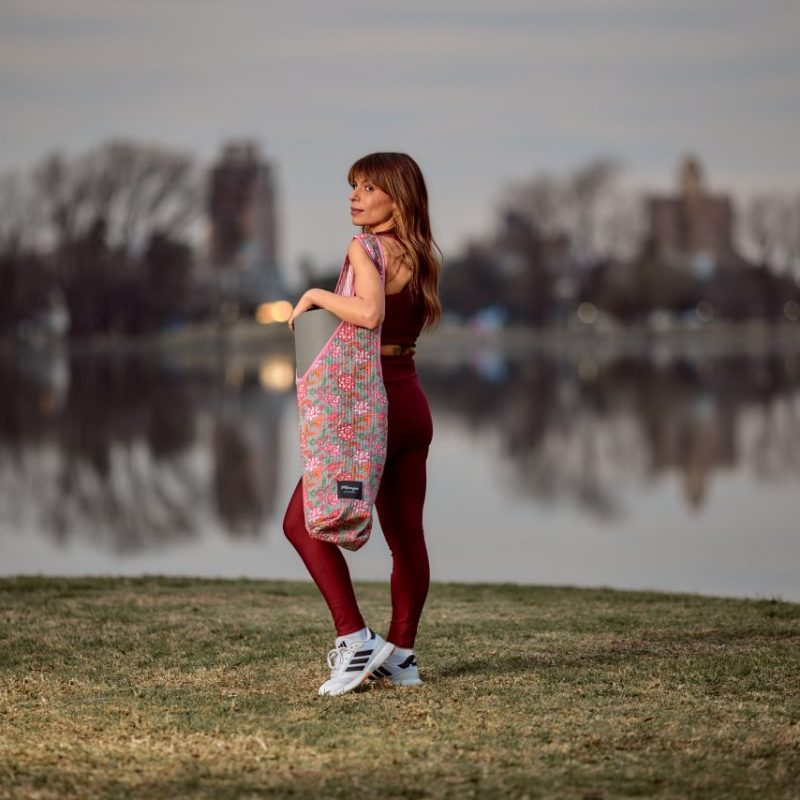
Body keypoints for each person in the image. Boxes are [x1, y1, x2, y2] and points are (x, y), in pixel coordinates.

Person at [284, 152, 441, 697]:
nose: (354, 197)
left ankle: (354, 641)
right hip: (412, 403)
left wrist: (313, 296)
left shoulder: (365, 247)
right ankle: (401, 655)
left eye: (367, 188)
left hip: (368, 408)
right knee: (407, 541)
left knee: (301, 522)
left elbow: (369, 314)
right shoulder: (421, 255)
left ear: (395, 197)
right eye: (353, 186)